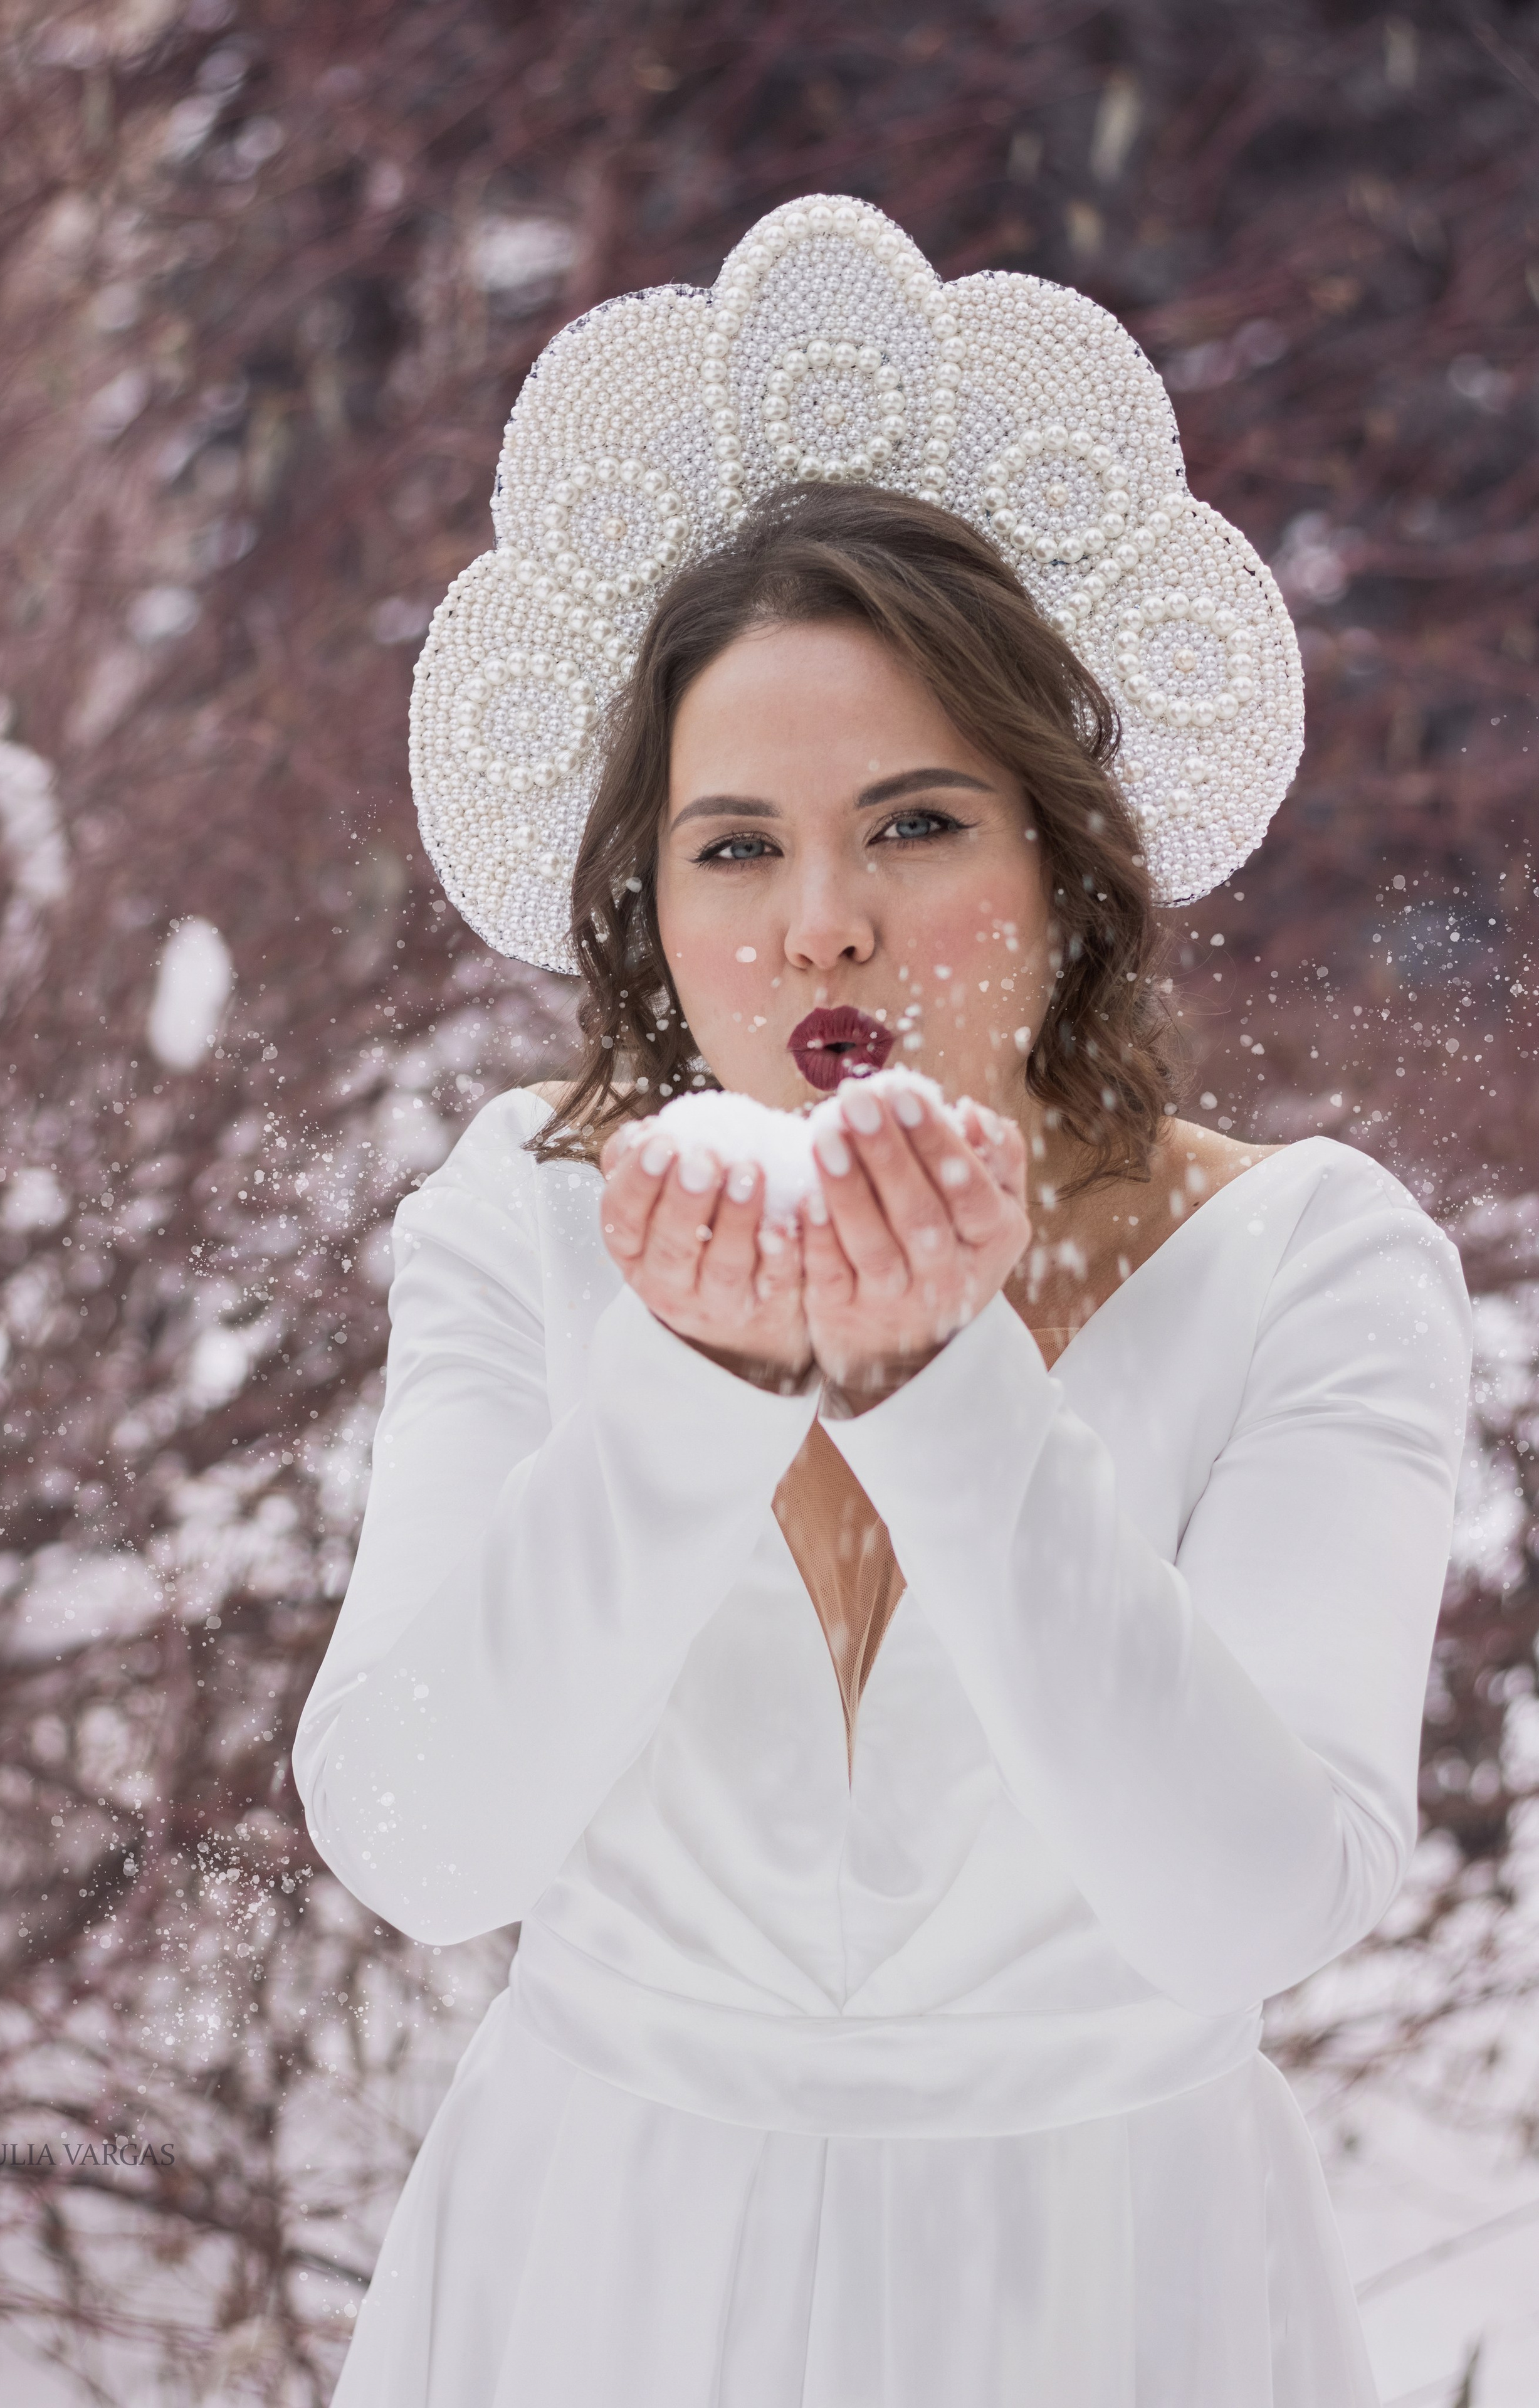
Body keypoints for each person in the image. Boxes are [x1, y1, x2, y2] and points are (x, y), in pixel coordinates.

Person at [295, 198, 1471, 2407]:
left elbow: (1252, 1905)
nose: (823, 920)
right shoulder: (528, 1227)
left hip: (1114, 2293)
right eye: (735, 844)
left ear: (1062, 852)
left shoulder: (1313, 1266)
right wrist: (693, 1388)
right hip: (592, 2280)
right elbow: (421, 1844)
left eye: (916, 824)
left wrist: (944, 1391)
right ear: (648, 899)